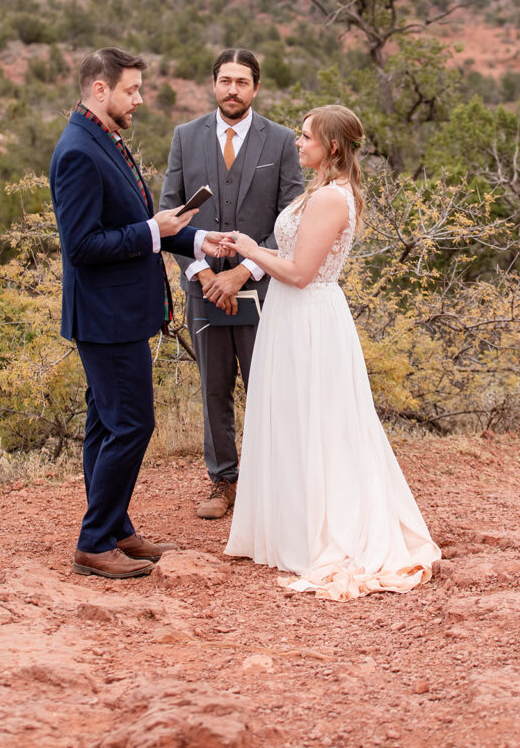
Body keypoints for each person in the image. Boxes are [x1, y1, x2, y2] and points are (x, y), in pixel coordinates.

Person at [222, 104, 441, 600]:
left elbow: (300, 273)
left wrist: (248, 250)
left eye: (306, 137)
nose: (298, 143)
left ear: (332, 146)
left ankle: (323, 531)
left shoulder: (329, 200)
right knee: (294, 419)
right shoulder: (321, 191)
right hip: (292, 314)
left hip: (309, 318)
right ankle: (289, 527)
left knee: (318, 421)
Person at [49, 47, 226, 580]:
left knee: (106, 425)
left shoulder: (104, 139)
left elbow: (142, 223)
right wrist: (157, 232)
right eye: (132, 90)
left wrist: (196, 239)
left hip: (117, 312)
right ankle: (93, 542)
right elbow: (82, 245)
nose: (140, 99)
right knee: (131, 423)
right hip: (105, 317)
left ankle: (118, 528)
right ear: (100, 90)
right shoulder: (79, 150)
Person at [159, 48, 304, 520]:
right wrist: (202, 272)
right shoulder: (186, 137)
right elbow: (170, 216)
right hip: (203, 288)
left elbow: (292, 220)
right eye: (225, 80)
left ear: (256, 87)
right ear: (214, 84)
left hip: (262, 288)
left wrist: (244, 270)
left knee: (267, 387)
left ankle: (271, 485)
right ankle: (224, 482)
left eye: (242, 82)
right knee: (214, 388)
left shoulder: (281, 141)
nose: (233, 89)